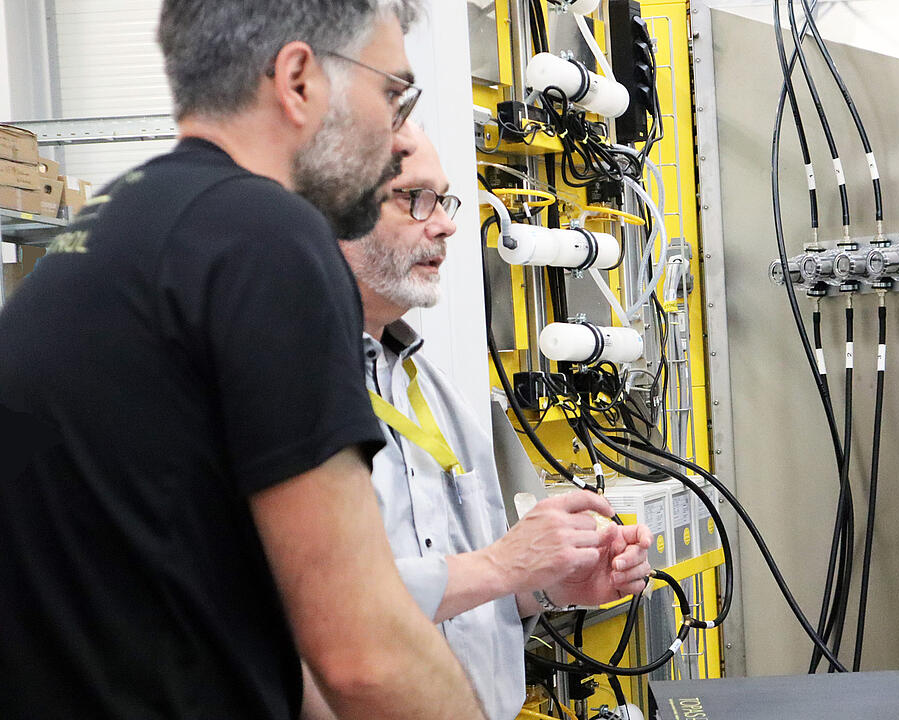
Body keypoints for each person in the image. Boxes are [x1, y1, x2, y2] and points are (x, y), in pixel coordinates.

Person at [0, 2, 486, 719]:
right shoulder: (267, 237)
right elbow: (366, 656)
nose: (395, 137)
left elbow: (247, 627)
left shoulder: (118, 221)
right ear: (297, 80)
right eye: (391, 92)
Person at [320, 124, 654, 720]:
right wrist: (501, 565)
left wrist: (545, 586)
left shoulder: (438, 395)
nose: (447, 223)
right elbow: (320, 607)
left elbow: (466, 585)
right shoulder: (281, 395)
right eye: (414, 197)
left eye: (444, 199)